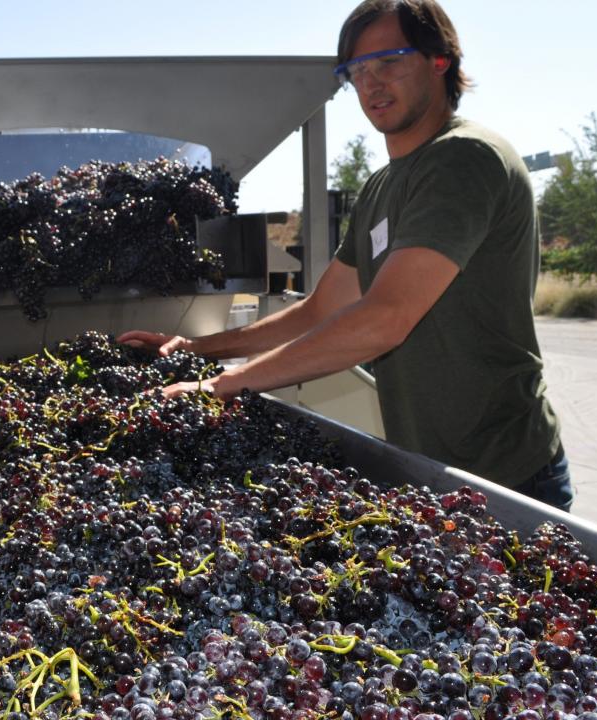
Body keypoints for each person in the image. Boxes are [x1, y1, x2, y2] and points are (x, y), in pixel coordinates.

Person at [119, 0, 572, 512]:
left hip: (507, 472)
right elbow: (321, 309)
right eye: (356, 71)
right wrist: (199, 350)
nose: (371, 83)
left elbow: (385, 319)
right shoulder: (382, 186)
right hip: (433, 470)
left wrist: (226, 384)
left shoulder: (464, 159)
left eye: (389, 62)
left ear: (439, 60)